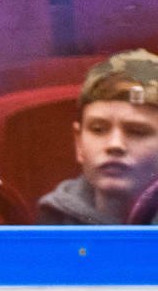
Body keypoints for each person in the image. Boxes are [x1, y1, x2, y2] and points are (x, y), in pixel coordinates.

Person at [38, 49, 158, 225]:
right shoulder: (53, 221)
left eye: (137, 132)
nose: (114, 144)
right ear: (79, 143)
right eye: (98, 129)